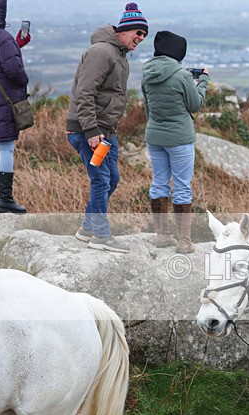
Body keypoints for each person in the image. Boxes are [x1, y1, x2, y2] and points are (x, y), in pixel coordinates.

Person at [68, 2, 148, 253]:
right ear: (124, 30)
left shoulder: (120, 55)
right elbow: (85, 93)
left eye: (144, 35)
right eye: (138, 33)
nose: (141, 38)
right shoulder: (102, 53)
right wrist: (91, 131)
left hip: (105, 132)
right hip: (88, 130)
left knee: (112, 178)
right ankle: (101, 236)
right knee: (101, 181)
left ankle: (87, 229)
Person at [142, 31, 208, 254]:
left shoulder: (147, 73)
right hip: (179, 138)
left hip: (155, 136)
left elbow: (147, 109)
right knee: (181, 187)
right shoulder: (181, 75)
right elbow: (194, 104)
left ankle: (162, 236)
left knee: (159, 182)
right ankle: (184, 241)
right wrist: (203, 82)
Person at [0, 0, 29, 213]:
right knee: (7, 147)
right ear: (0, 10)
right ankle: (6, 199)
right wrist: (24, 80)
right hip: (2, 100)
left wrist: (17, 44)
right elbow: (13, 70)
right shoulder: (3, 37)